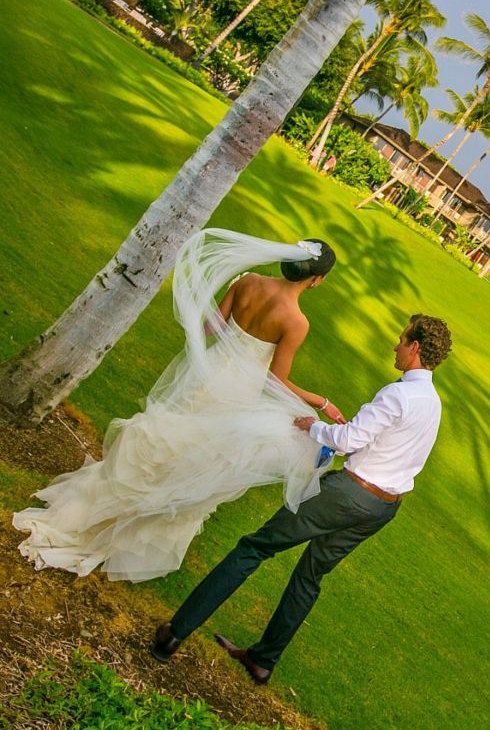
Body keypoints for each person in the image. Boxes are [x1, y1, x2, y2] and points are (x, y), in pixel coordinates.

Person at [12, 228, 344, 582]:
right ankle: (133, 529)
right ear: (317, 280)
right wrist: (320, 401)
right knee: (192, 459)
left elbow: (209, 328)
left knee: (166, 438)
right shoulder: (295, 321)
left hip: (204, 374)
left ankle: (106, 509)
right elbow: (275, 380)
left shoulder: (248, 281)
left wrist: (234, 339)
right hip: (236, 392)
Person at [150, 314, 451, 685]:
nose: (395, 346)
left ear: (415, 347)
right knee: (310, 576)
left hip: (349, 495)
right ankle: (263, 660)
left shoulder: (399, 393)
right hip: (383, 507)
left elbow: (348, 441)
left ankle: (174, 634)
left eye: (401, 340)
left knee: (255, 547)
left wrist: (314, 427)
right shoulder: (432, 401)